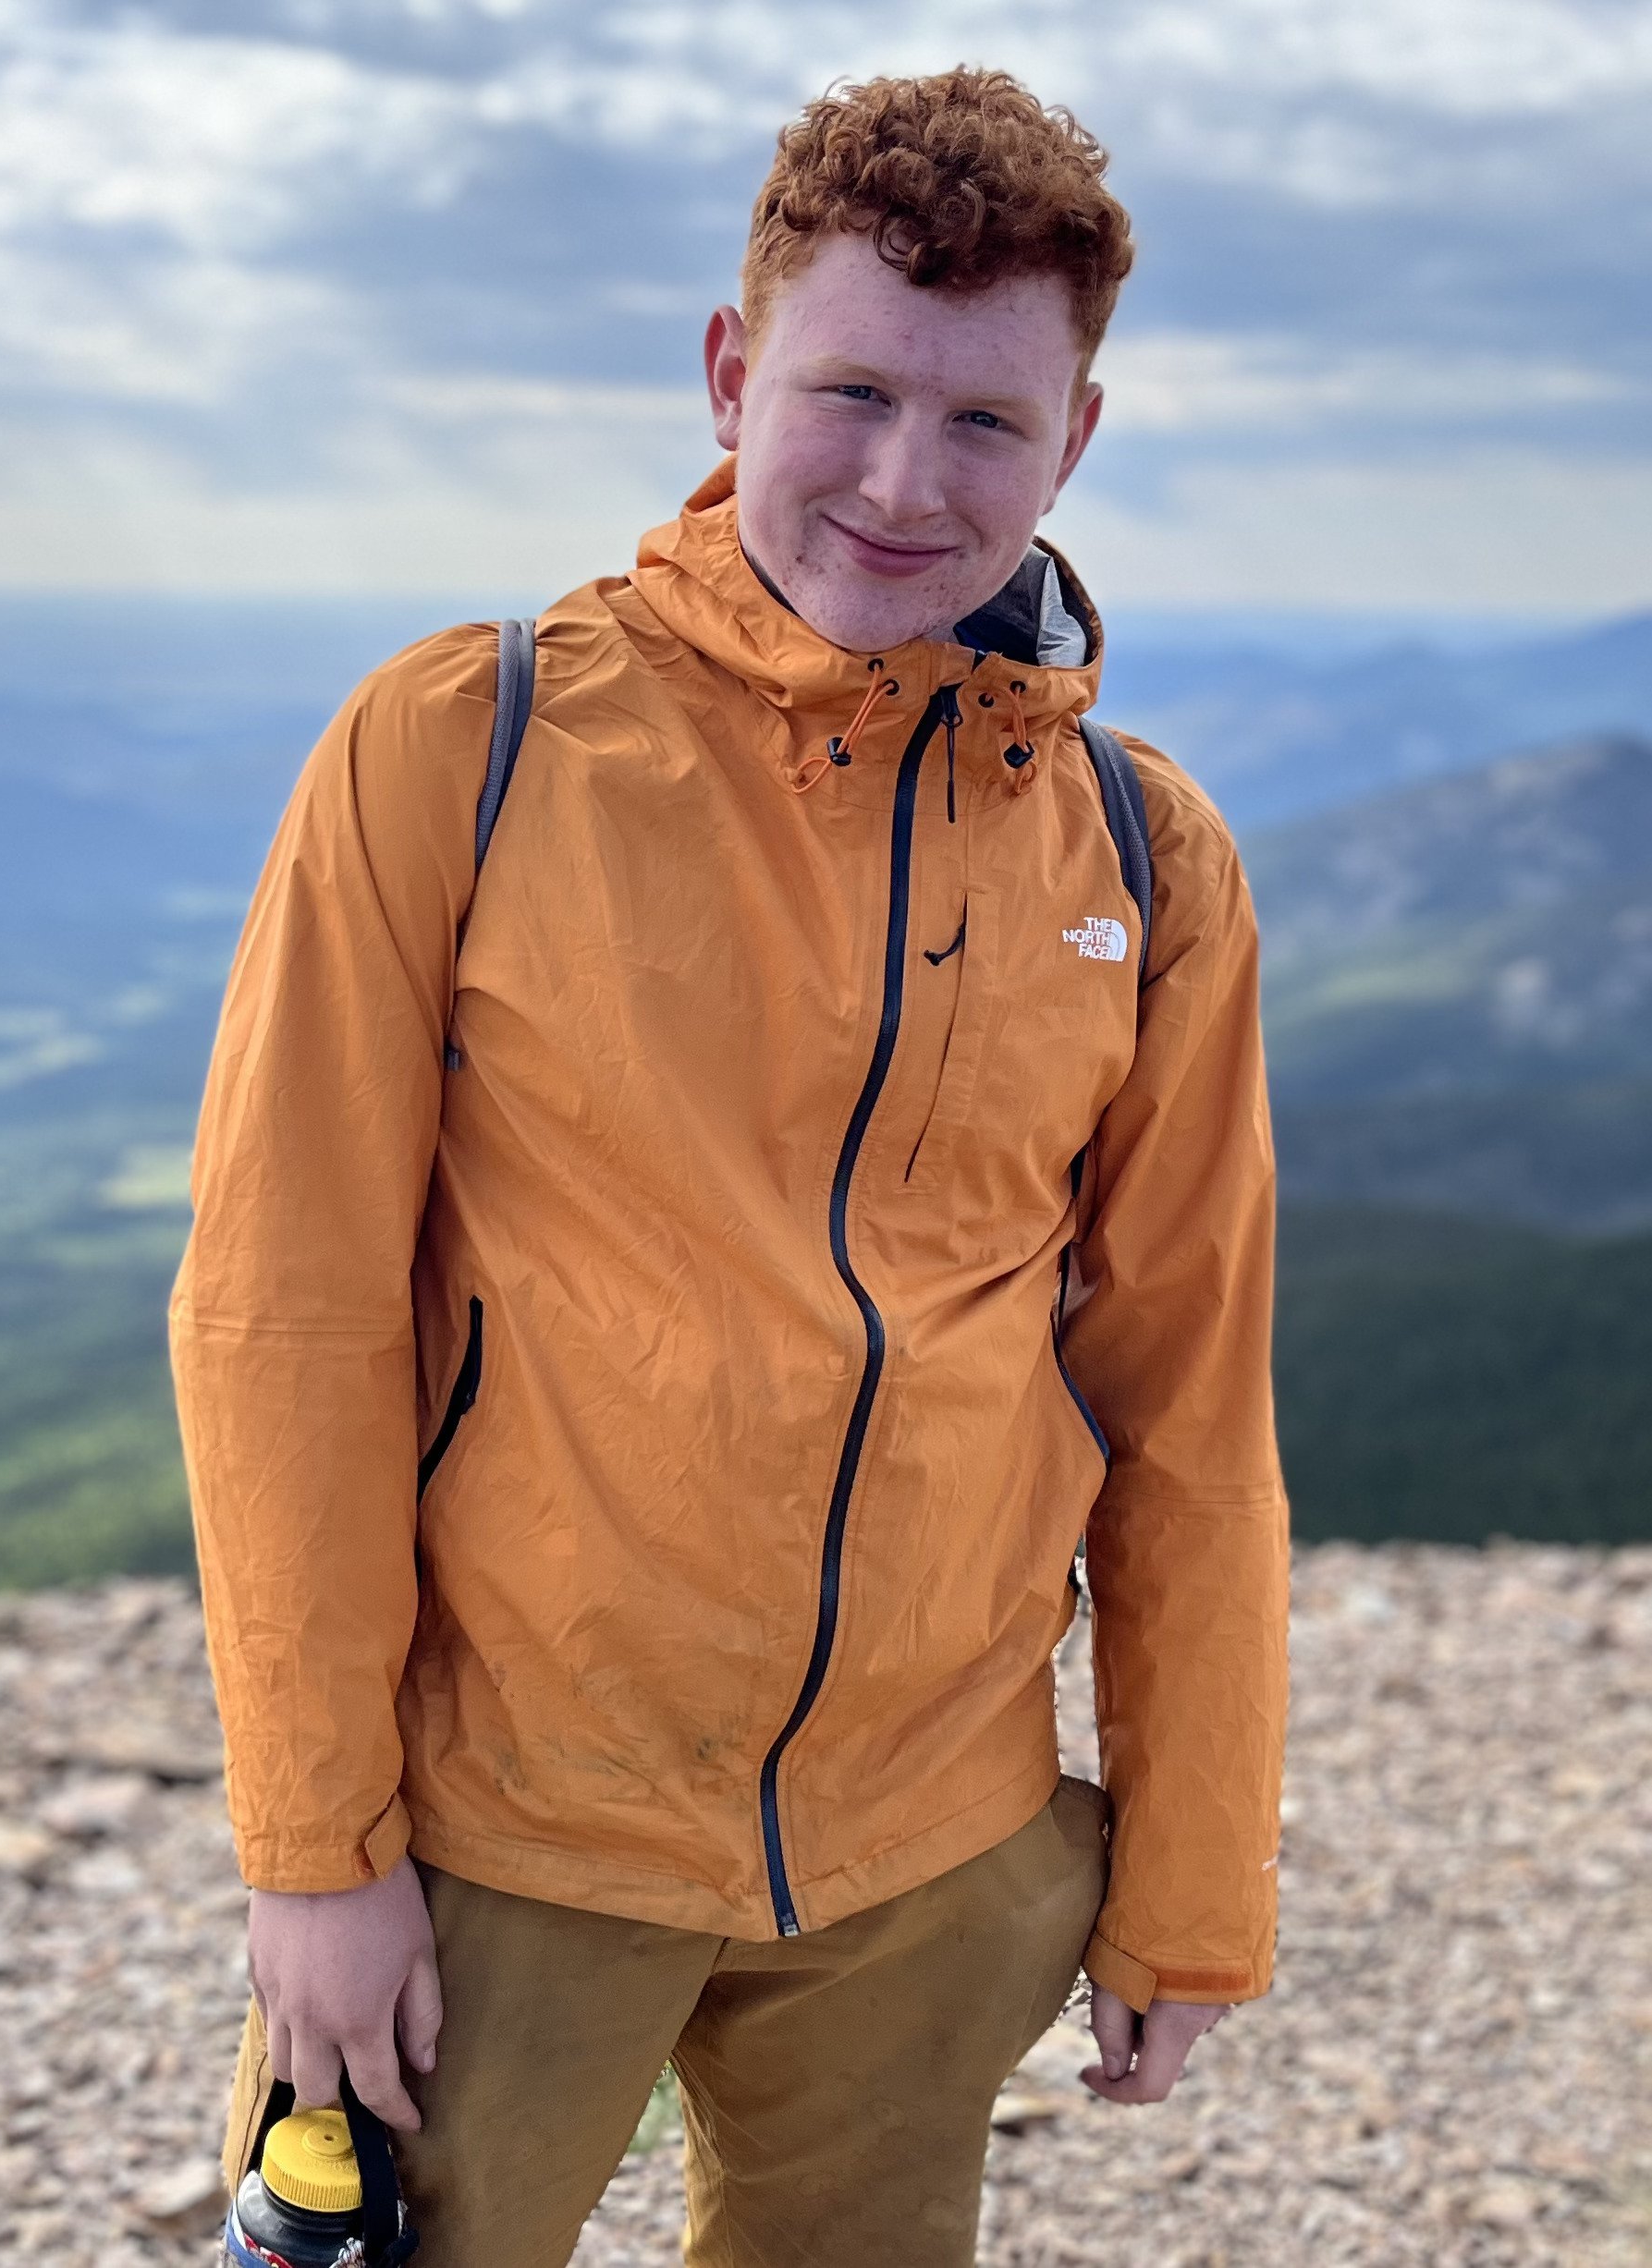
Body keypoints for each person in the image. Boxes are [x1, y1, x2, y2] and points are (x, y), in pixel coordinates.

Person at [170, 64, 1290, 2268]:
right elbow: (278, 1319)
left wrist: (1188, 1877)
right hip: (505, 1824)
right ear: (728, 367)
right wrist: (316, 1851)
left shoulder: (1150, 857)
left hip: (934, 1859)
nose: (901, 479)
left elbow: (1188, 1407)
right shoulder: (461, 742)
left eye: (984, 420)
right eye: (848, 388)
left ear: (1074, 441)